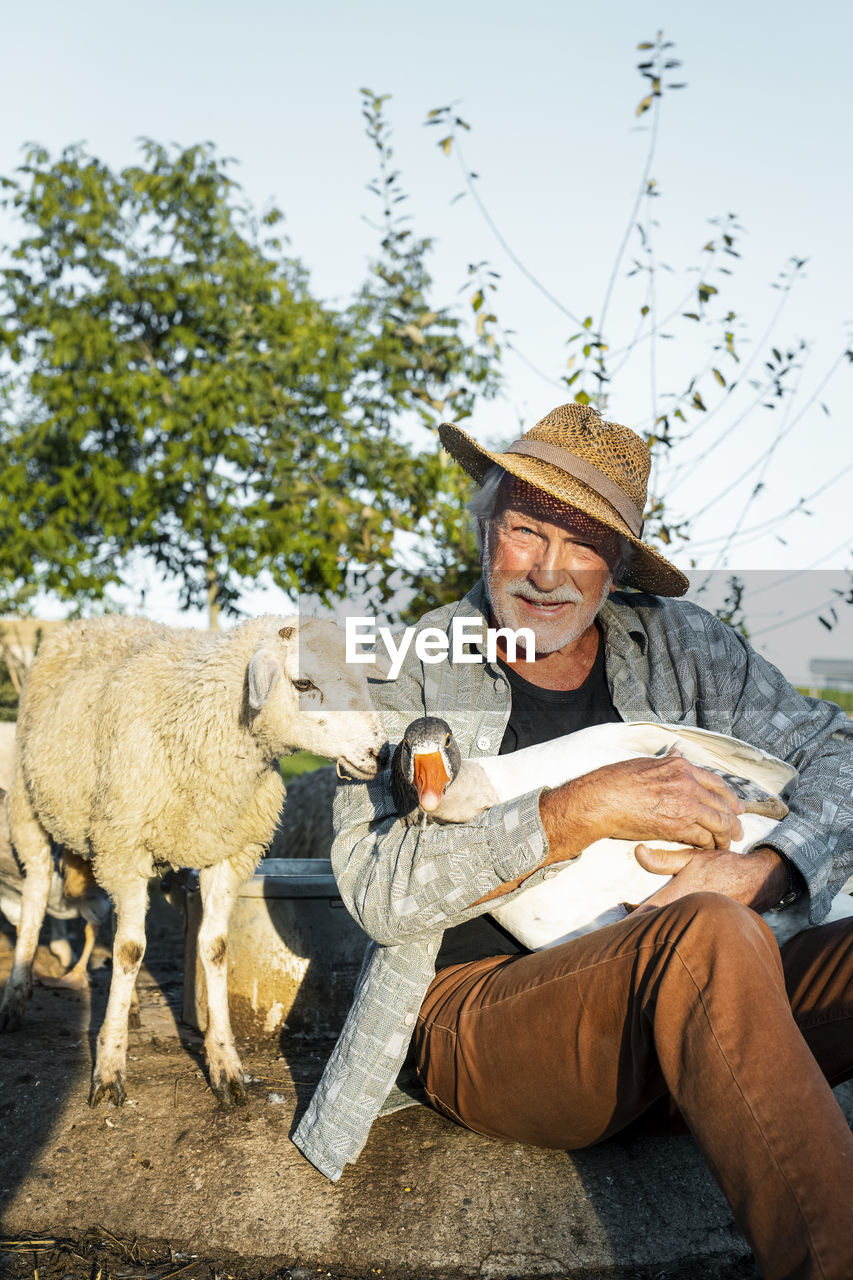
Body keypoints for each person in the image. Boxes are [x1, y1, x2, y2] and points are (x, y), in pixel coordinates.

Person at [292, 403, 853, 1279]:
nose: (548, 572)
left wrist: (765, 870)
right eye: (524, 530)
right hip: (482, 1013)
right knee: (704, 935)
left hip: (706, 997)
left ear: (618, 564)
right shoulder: (409, 667)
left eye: (584, 544)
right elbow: (379, 890)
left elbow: (838, 753)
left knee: (720, 925)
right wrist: (572, 811)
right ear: (485, 530)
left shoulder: (685, 646)